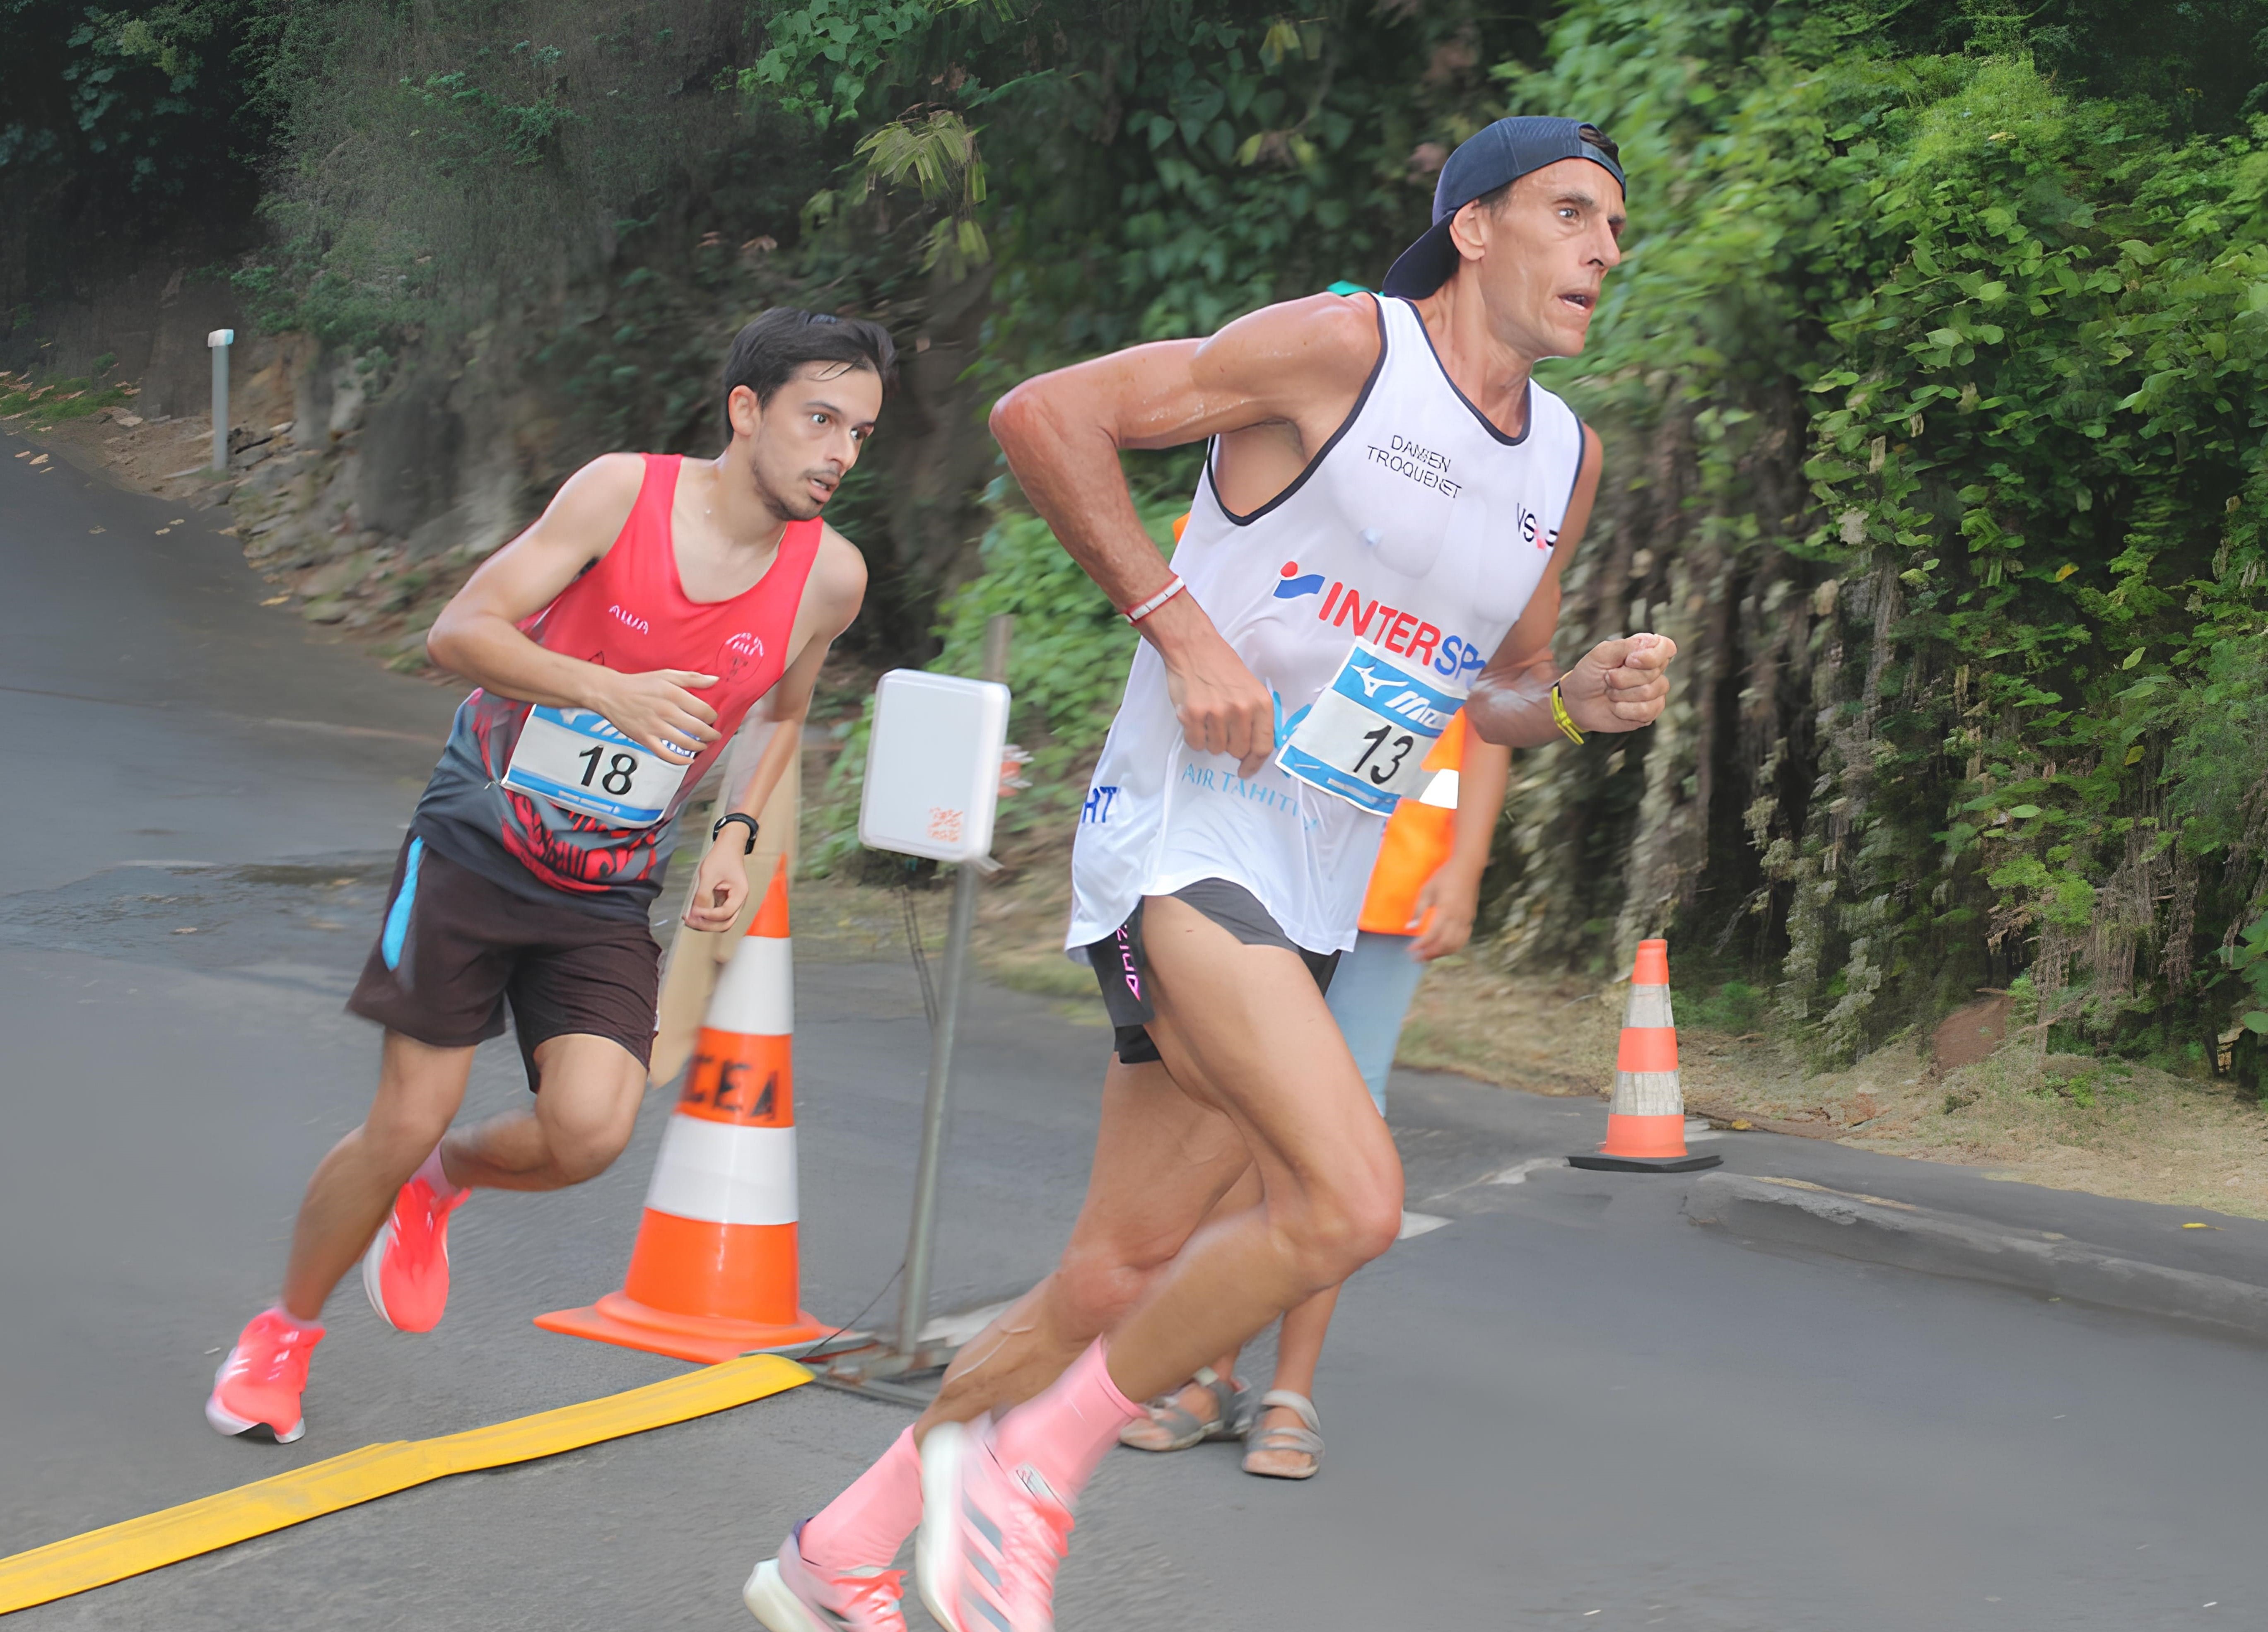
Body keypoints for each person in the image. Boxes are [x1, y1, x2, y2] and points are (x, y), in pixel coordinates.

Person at [746, 116, 1672, 1632]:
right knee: (1351, 1196)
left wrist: (1577, 698)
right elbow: (1046, 416)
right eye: (1571, 214)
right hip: (1180, 839)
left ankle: (836, 1551)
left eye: (1615, 229)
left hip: (1312, 882)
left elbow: (1491, 690)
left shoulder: (1558, 462)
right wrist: (1183, 630)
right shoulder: (1336, 352)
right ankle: (1030, 1476)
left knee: (1109, 1277)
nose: (1602, 250)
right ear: (1475, 229)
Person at [204, 308, 890, 1445]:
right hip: (477, 835)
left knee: (588, 1132)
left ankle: (437, 1182)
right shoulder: (622, 493)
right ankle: (283, 1330)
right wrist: (601, 688)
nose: (839, 452)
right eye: (820, 419)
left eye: (860, 432)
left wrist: (732, 843)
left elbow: (780, 719)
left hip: (606, 881)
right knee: (401, 1110)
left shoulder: (832, 578)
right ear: (745, 410)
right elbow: (457, 631)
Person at [1116, 709, 1511, 1478]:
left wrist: (1465, 866)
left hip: (1386, 892)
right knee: (1248, 1120)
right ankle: (1212, 1375)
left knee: (1334, 1139)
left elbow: (1498, 711)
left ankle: (1290, 1393)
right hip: (1268, 871)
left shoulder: (1474, 595)